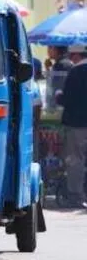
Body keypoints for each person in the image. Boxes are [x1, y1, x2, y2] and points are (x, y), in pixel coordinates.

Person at [55, 45, 87, 208]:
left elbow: (66, 99)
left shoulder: (75, 72)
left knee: (76, 160)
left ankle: (76, 195)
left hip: (77, 123)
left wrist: (58, 96)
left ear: (75, 56)